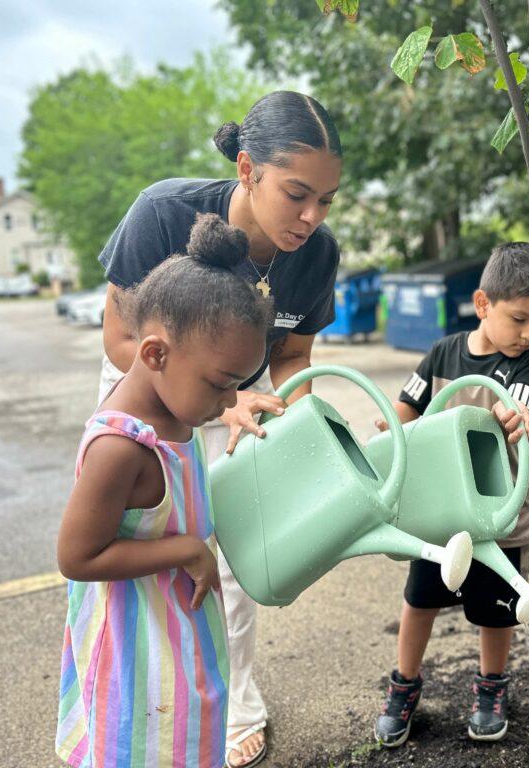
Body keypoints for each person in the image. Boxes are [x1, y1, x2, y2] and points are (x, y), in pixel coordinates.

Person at [97, 90, 343, 767]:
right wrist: (211, 399)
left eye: (326, 199)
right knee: (138, 553)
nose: (311, 216)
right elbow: (122, 338)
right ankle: (133, 699)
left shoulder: (317, 256)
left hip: (241, 399)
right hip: (151, 393)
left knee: (232, 566)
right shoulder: (163, 215)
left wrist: (291, 424)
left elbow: (292, 357)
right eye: (296, 193)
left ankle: (236, 704)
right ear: (246, 169)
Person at [55, 213, 273, 768]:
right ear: (155, 354)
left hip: (181, 632)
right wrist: (187, 550)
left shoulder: (179, 408)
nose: (231, 400)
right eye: (222, 383)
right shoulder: (120, 447)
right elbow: (77, 556)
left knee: (193, 732)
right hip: (138, 659)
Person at [372, 243, 529, 746]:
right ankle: (404, 686)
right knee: (420, 600)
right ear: (482, 305)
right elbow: (403, 411)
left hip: (500, 516)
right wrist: (389, 434)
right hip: (440, 516)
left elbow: (515, 410)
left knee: (497, 610)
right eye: (519, 319)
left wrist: (515, 418)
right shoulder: (442, 353)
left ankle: (490, 688)